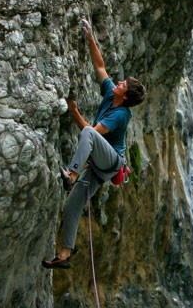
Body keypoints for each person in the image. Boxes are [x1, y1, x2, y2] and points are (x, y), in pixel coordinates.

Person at [42, 19, 146, 269]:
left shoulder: (120, 115)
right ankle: (65, 255)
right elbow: (99, 66)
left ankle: (71, 173)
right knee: (71, 206)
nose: (118, 82)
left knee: (88, 132)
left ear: (126, 95)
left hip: (111, 162)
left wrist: (73, 110)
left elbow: (89, 132)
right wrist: (90, 37)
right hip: (99, 169)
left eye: (123, 85)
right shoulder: (112, 94)